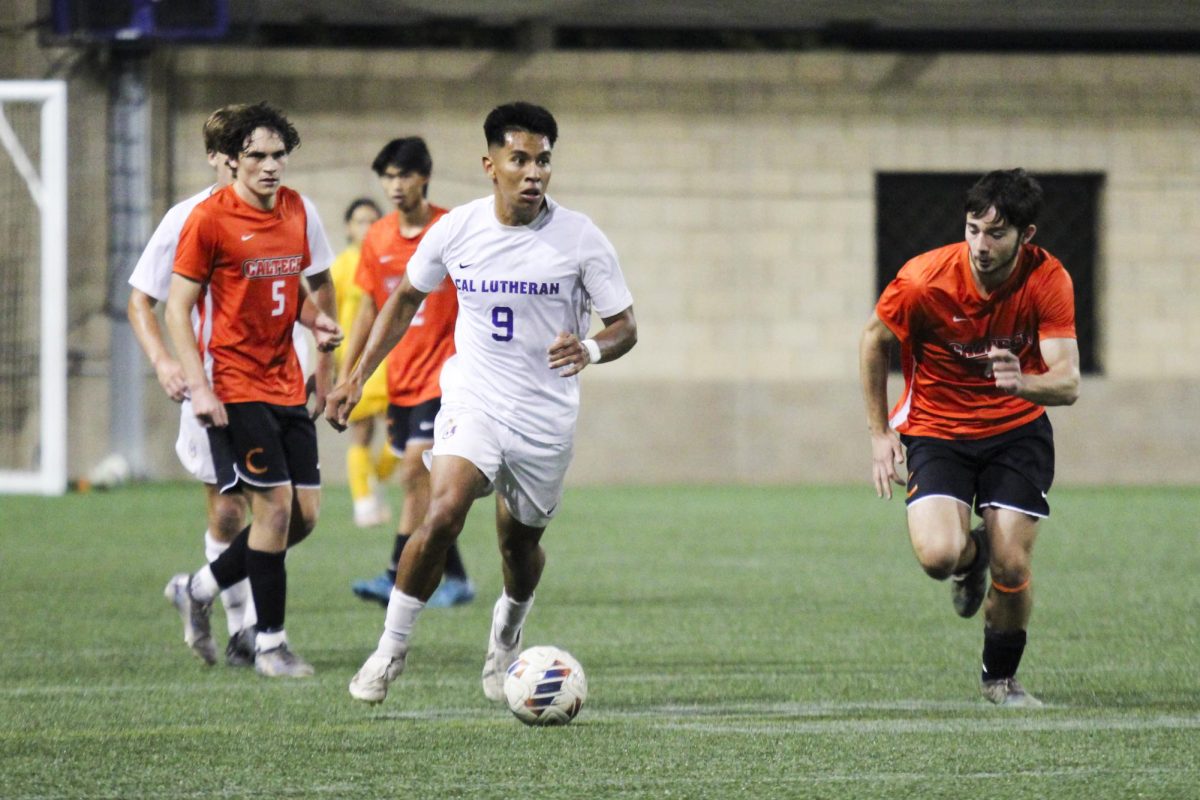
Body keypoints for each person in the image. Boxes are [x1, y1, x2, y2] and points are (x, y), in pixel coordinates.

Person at [326, 102, 637, 705]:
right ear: (490, 163)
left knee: (518, 547)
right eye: (520, 159)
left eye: (543, 160)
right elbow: (404, 299)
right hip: (474, 397)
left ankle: (507, 634)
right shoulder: (458, 228)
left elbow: (625, 326)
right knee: (441, 512)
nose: (534, 172)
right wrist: (358, 375)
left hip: (545, 417)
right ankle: (389, 653)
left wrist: (592, 351)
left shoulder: (580, 238)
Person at [859, 168, 1080, 707]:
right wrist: (879, 432)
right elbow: (873, 341)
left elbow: (1068, 381)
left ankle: (999, 680)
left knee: (1014, 565)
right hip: (937, 430)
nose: (981, 245)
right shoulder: (923, 280)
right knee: (939, 556)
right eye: (973, 229)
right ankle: (969, 556)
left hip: (1015, 432)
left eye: (997, 233)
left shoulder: (1048, 280)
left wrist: (1023, 382)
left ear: (1026, 235)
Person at [127, 104, 331, 667]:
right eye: (250, 155)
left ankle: (197, 590)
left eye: (276, 155)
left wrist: (323, 346)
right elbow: (148, 302)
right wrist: (177, 372)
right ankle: (257, 636)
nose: (265, 166)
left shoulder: (296, 209)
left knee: (298, 516)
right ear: (222, 158)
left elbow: (309, 288)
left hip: (284, 377)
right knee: (235, 512)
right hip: (222, 380)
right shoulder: (194, 218)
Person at [343, 137, 475, 611]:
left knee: (413, 470)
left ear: (424, 177)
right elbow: (369, 311)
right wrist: (351, 374)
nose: (395, 185)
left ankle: (397, 574)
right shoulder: (377, 238)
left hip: (447, 377)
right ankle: (455, 576)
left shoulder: (451, 229)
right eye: (388, 176)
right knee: (428, 486)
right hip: (400, 377)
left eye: (403, 175)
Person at [329, 197, 397, 528]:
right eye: (359, 221)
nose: (366, 227)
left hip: (392, 360)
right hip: (356, 362)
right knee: (361, 433)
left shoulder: (389, 262)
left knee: (399, 435)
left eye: (373, 221)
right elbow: (330, 315)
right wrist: (332, 368)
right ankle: (363, 502)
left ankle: (376, 483)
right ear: (348, 227)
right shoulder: (342, 266)